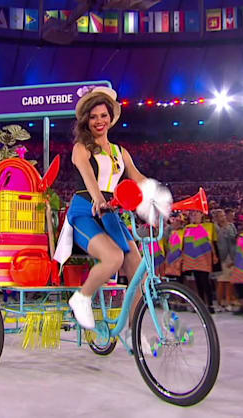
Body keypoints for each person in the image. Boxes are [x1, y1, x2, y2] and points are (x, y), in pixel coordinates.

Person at [62, 86, 148, 330]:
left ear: (111, 118)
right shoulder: (81, 148)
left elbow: (138, 178)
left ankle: (134, 329)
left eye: (103, 115)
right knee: (113, 257)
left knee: (137, 266)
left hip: (111, 213)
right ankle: (81, 297)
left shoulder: (121, 152)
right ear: (86, 120)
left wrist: (160, 195)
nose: (99, 121)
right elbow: (89, 177)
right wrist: (99, 199)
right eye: (93, 116)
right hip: (85, 211)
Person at [182, 210, 220, 313]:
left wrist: (214, 255)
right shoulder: (187, 228)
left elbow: (211, 242)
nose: (194, 215)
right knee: (197, 281)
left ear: (201, 215)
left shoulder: (209, 226)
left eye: (196, 213)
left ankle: (210, 304)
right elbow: (185, 244)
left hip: (204, 258)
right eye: (192, 214)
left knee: (205, 281)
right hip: (192, 259)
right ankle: (201, 304)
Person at [213, 209, 237, 312]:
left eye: (223, 215)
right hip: (220, 256)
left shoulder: (231, 226)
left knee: (230, 281)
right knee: (221, 281)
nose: (223, 218)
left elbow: (235, 239)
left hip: (231, 256)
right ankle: (219, 303)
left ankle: (228, 301)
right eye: (220, 216)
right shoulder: (214, 228)